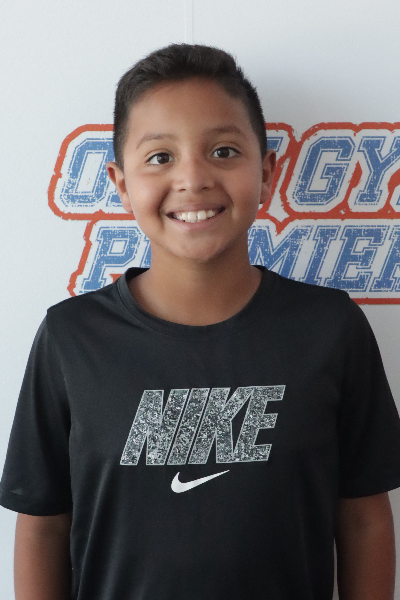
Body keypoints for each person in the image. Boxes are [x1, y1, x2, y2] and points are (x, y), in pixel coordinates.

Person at [1, 43, 400, 600]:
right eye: (160, 157)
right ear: (121, 183)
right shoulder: (71, 338)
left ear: (266, 171)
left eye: (223, 151)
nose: (193, 178)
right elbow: (43, 525)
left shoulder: (330, 330)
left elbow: (363, 518)